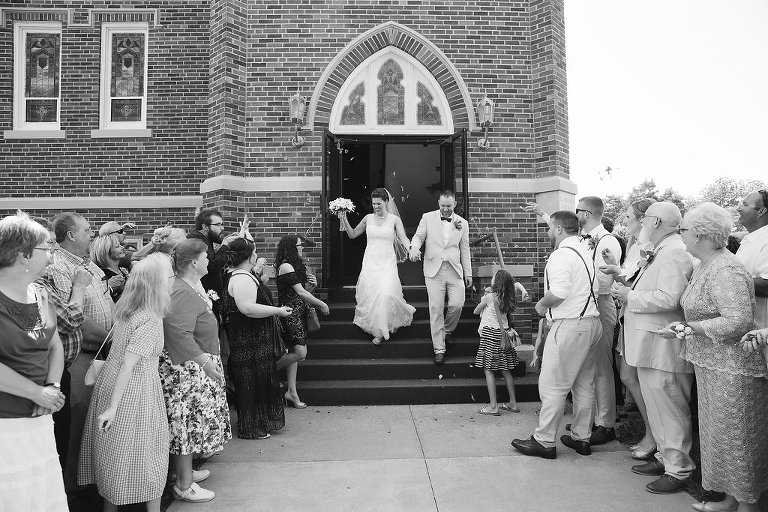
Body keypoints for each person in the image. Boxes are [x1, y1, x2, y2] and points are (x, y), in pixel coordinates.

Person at [655, 203, 766, 512]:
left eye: (684, 230)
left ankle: (749, 506)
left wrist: (687, 328)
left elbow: (738, 320)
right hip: (713, 367)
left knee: (738, 440)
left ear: (701, 235)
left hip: (733, 370)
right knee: (720, 438)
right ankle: (730, 500)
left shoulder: (726, 268)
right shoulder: (707, 263)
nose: (682, 236)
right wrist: (686, 328)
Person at [77, 254, 173, 512]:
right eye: (170, 276)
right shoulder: (150, 318)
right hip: (135, 390)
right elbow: (128, 366)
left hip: (109, 384)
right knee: (150, 454)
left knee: (114, 454)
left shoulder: (127, 310)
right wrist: (114, 407)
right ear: (158, 283)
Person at [611, 202, 694, 495]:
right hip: (648, 344)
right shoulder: (660, 249)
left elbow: (669, 299)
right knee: (657, 406)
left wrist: (629, 295)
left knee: (670, 406)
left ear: (656, 221)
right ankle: (663, 457)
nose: (643, 224)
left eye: (645, 219)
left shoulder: (674, 252)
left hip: (663, 344)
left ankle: (679, 469)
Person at [511, 211, 602, 459]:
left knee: (553, 385)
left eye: (551, 228)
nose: (549, 233)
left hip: (570, 326)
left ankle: (544, 441)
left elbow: (560, 292)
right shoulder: (586, 253)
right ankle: (582, 438)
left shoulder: (561, 255)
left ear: (560, 229)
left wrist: (541, 305)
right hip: (593, 324)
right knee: (584, 385)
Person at [0, 212, 68, 512]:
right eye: (47, 249)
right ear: (22, 254)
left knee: (39, 499)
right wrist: (37, 393)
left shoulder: (40, 293)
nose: (52, 258)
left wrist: (51, 386)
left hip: (39, 421)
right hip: (6, 424)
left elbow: (54, 346)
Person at [46, 212, 115, 493]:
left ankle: (89, 482)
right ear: (71, 235)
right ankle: (72, 492)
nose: (92, 234)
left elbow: (105, 302)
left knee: (91, 422)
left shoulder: (89, 265)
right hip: (79, 358)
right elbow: (74, 318)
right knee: (76, 425)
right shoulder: (59, 267)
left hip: (101, 352)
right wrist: (112, 338)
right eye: (87, 230)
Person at [160, 239, 232, 503]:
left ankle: (185, 471)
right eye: (204, 258)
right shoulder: (180, 289)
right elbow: (177, 332)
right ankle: (184, 484)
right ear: (193, 262)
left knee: (191, 423)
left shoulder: (188, 286)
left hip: (193, 364)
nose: (208, 262)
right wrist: (204, 361)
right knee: (186, 424)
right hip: (186, 368)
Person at [599, 198, 658, 459]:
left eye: (629, 216)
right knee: (627, 375)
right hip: (628, 316)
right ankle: (652, 431)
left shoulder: (653, 248)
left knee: (634, 376)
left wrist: (618, 277)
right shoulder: (635, 247)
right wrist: (616, 268)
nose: (625, 220)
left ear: (643, 219)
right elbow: (630, 279)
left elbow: (639, 286)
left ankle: (654, 435)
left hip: (644, 320)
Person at [221, 238, 292, 439]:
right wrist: (278, 310)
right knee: (250, 381)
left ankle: (261, 422)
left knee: (258, 380)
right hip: (248, 339)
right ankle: (251, 427)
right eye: (254, 252)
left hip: (253, 339)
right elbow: (247, 308)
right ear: (249, 256)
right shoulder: (242, 278)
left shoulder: (243, 275)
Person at [338, 188, 415, 346]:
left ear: (386, 202)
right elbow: (352, 234)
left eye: (379, 203)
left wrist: (412, 248)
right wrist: (344, 218)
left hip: (387, 263)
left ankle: (381, 331)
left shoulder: (394, 220)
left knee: (386, 294)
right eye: (373, 203)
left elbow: (404, 239)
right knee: (374, 297)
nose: (376, 206)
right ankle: (378, 331)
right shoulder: (368, 218)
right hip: (371, 263)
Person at [574, 196, 623, 446]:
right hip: (587, 305)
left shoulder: (607, 241)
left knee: (602, 365)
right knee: (589, 364)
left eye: (578, 211)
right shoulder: (584, 238)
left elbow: (606, 281)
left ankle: (606, 424)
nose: (576, 215)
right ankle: (592, 419)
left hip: (601, 305)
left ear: (587, 213)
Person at [409, 190, 472, 365]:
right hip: (433, 269)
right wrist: (414, 248)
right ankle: (439, 348)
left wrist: (469, 273)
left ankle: (447, 331)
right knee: (436, 308)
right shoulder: (427, 218)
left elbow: (465, 250)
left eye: (449, 206)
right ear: (438, 203)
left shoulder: (462, 223)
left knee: (457, 304)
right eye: (443, 205)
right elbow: (418, 237)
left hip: (454, 269)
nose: (445, 209)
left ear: (455, 204)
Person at [275, 235, 330, 409]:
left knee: (294, 353)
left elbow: (301, 291)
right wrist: (321, 303)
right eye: (299, 246)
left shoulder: (294, 266)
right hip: (289, 314)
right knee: (300, 353)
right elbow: (299, 292)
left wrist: (311, 288)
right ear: (292, 247)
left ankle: (292, 392)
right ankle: (265, 369)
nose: (302, 248)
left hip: (298, 313)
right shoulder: (285, 266)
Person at [473, 269, 520, 415]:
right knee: (505, 370)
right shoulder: (509, 297)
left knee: (489, 369)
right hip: (504, 335)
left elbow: (476, 311)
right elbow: (517, 285)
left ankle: (494, 407)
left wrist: (484, 297)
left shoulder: (489, 297)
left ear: (496, 282)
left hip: (491, 335)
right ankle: (513, 403)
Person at [735, 189, 768, 329]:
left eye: (745, 204)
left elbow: (767, 286)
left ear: (761, 211)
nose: (738, 208)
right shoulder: (751, 239)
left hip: (761, 330)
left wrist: (726, 280)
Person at [90, 230, 130, 302]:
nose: (122, 248)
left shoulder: (123, 271)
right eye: (117, 246)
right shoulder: (101, 276)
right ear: (106, 252)